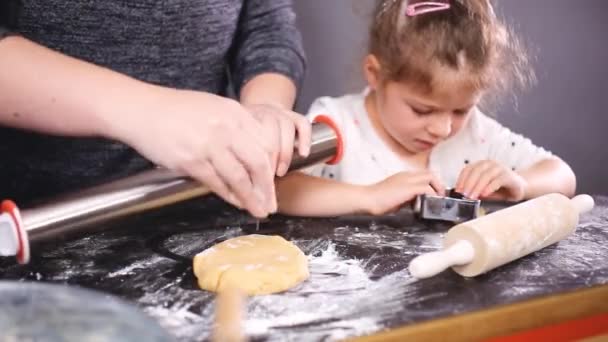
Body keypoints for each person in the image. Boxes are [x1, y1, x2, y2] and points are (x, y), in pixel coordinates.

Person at [0, 0, 311, 219]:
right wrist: (144, 110)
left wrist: (264, 106)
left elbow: (266, 24)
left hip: (193, 208)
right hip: (30, 224)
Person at [276, 0, 576, 217]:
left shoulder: (476, 133)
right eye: (422, 110)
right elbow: (277, 188)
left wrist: (520, 184)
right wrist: (368, 196)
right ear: (375, 74)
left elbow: (563, 176)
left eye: (460, 111)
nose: (443, 129)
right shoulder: (337, 125)